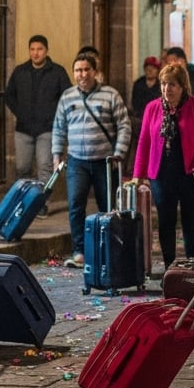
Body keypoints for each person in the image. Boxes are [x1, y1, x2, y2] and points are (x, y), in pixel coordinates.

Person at [131, 62, 194, 269]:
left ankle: (190, 263)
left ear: (183, 87)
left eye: (172, 85)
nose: (167, 89)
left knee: (190, 220)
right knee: (166, 221)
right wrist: (138, 174)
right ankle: (170, 267)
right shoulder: (153, 108)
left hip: (189, 172)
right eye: (163, 84)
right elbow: (144, 142)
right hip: (161, 174)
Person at [52, 53, 133, 269]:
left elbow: (124, 125)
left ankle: (110, 249)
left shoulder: (110, 95)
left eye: (87, 69)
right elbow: (59, 127)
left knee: (108, 207)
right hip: (77, 161)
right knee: (75, 205)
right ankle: (79, 251)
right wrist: (56, 154)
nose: (82, 74)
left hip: (104, 163)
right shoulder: (67, 97)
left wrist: (119, 153)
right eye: (78, 70)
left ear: (95, 72)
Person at [4, 35, 72, 217]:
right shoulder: (21, 71)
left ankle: (41, 203)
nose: (35, 53)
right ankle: (25, 202)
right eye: (32, 49)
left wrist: (55, 116)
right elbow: (9, 95)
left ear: (46, 50)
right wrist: (20, 112)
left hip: (47, 129)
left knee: (44, 167)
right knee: (22, 168)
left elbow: (67, 96)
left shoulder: (57, 72)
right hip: (24, 129)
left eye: (39, 49)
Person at [129, 56, 162, 142]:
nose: (150, 70)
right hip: (141, 120)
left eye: (153, 68)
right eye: (147, 68)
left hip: (157, 120)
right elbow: (135, 103)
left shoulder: (161, 85)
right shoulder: (139, 84)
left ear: (157, 70)